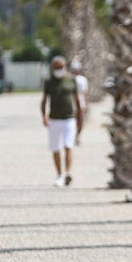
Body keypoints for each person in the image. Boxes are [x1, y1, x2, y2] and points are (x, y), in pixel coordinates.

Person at [41, 55, 83, 187]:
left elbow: (77, 100)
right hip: (54, 119)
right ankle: (59, 174)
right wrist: (44, 116)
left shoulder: (71, 80)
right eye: (56, 67)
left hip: (69, 118)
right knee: (55, 148)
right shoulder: (49, 81)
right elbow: (44, 100)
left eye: (60, 67)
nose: (58, 70)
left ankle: (68, 172)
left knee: (68, 145)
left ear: (65, 67)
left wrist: (80, 118)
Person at [70, 60, 89, 145]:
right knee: (79, 121)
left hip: (75, 103)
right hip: (77, 103)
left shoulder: (71, 79)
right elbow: (85, 93)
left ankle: (75, 138)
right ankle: (76, 138)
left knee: (75, 121)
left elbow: (85, 93)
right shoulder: (81, 79)